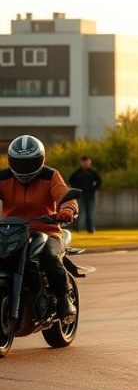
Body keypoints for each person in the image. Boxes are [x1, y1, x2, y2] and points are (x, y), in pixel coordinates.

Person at [0, 136, 79, 319]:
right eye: (20, 163)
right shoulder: (3, 178)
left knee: (49, 257)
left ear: (40, 159)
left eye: (30, 162)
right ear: (11, 160)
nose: (24, 168)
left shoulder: (50, 176)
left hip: (47, 231)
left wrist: (67, 209)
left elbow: (64, 194)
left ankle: (64, 300)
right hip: (11, 232)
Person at [67, 155, 102, 234]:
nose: (86, 164)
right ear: (81, 163)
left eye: (88, 162)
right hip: (80, 196)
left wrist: (94, 189)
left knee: (90, 213)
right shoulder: (77, 172)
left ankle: (90, 229)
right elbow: (70, 181)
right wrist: (76, 189)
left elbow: (99, 182)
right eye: (85, 162)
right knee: (78, 213)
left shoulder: (93, 172)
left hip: (91, 196)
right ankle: (76, 229)